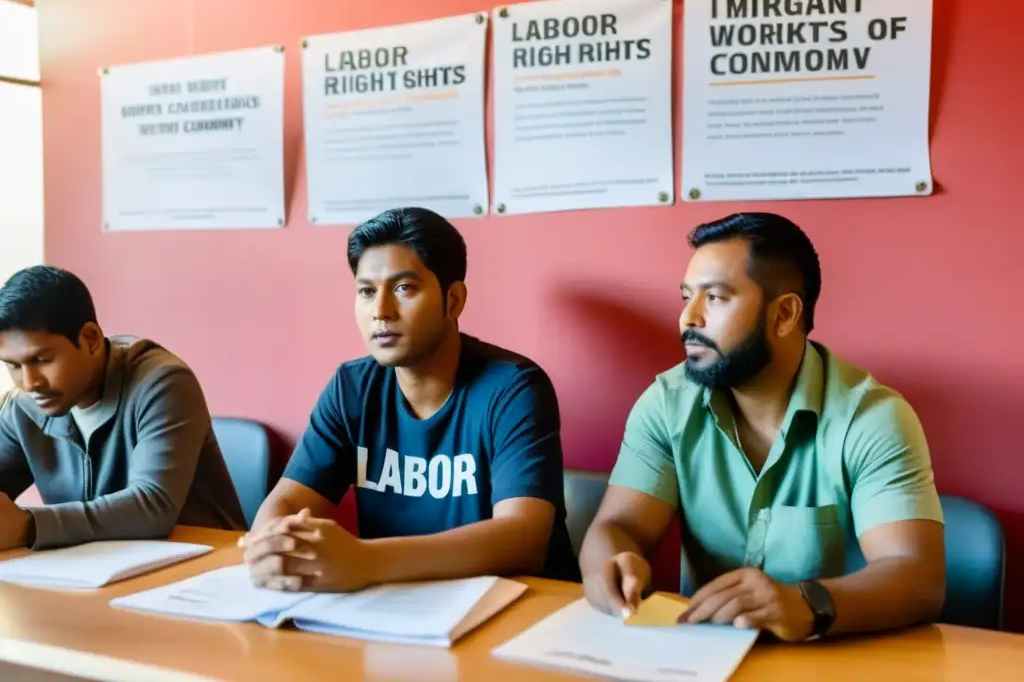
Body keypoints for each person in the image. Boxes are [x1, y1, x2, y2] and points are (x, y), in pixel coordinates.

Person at [580, 212, 945, 641]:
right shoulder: (666, 403)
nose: (687, 320)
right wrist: (614, 561)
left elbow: (917, 577)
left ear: (785, 313)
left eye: (714, 298)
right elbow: (615, 527)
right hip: (699, 658)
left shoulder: (871, 417)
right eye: (686, 297)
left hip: (837, 656)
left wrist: (806, 603)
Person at [242, 207, 579, 592]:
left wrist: (365, 560)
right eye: (367, 291)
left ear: (453, 301)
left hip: (519, 609)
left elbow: (523, 539)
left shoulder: (513, 388)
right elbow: (286, 501)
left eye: (403, 288)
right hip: (397, 604)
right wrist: (271, 546)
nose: (380, 312)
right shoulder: (351, 387)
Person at [0, 266, 246, 551]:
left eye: (43, 360)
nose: (30, 383)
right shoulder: (23, 408)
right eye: (13, 366)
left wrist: (29, 526)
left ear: (91, 340)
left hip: (205, 569)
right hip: (91, 570)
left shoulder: (162, 382)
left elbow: (153, 506)